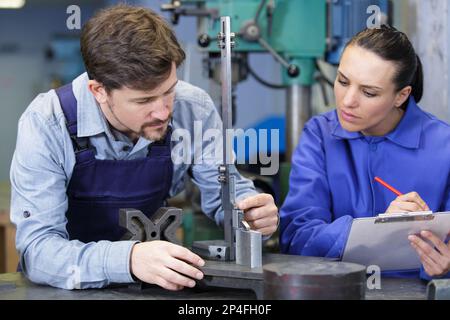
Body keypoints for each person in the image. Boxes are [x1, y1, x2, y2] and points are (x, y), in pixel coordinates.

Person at [10, 5, 278, 290]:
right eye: (144, 101)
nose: (163, 111)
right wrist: (128, 260)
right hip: (63, 289)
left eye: (169, 91)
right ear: (99, 91)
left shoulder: (193, 108)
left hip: (149, 286)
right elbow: (38, 252)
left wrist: (250, 215)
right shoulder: (47, 122)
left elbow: (225, 194)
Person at [280, 25, 450, 279]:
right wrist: (378, 230)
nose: (348, 101)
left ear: (401, 96)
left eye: (369, 92)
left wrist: (444, 267)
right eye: (342, 81)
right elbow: (297, 238)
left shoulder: (444, 146)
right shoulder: (319, 135)